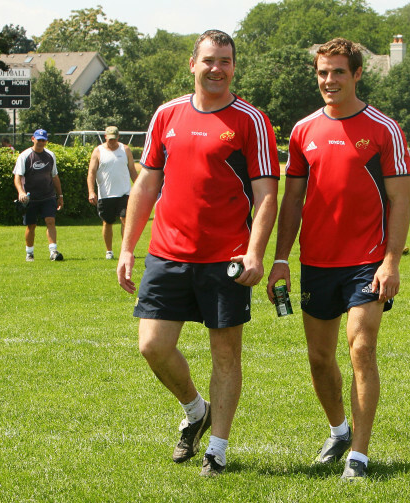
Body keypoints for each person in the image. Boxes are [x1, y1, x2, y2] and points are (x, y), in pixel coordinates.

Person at [117, 30, 279, 477]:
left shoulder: (251, 120)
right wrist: (128, 247)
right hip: (167, 253)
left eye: (225, 61)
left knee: (225, 356)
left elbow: (267, 194)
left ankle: (218, 450)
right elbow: (147, 182)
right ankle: (195, 410)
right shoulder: (167, 114)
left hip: (225, 258)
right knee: (152, 345)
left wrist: (255, 253)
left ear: (233, 66)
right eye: (209, 60)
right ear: (193, 64)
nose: (217, 68)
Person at [266, 38, 410, 480]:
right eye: (323, 73)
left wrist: (391, 262)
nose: (329, 81)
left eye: (338, 72)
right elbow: (292, 201)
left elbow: (400, 201)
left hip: (366, 261)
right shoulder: (303, 130)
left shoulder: (384, 129)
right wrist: (281, 259)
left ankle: (359, 457)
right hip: (316, 262)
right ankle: (339, 431)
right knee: (319, 359)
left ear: (357, 75)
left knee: (361, 347)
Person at [13, 129, 65, 262]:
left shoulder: (50, 155)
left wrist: (60, 195)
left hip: (48, 196)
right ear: (33, 139)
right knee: (31, 225)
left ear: (46, 141)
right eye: (39, 139)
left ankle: (53, 251)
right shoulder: (25, 156)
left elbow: (54, 176)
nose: (41, 142)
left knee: (50, 221)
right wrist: (21, 192)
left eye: (43, 140)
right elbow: (17, 177)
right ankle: (29, 253)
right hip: (30, 198)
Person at [87, 126, 138, 259]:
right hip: (106, 194)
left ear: (118, 137)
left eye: (114, 139)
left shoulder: (125, 149)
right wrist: (91, 191)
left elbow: (132, 170)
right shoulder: (98, 151)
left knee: (125, 219)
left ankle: (126, 250)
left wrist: (138, 187)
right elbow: (91, 173)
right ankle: (109, 251)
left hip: (125, 192)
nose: (112, 142)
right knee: (107, 222)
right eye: (110, 139)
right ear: (105, 137)